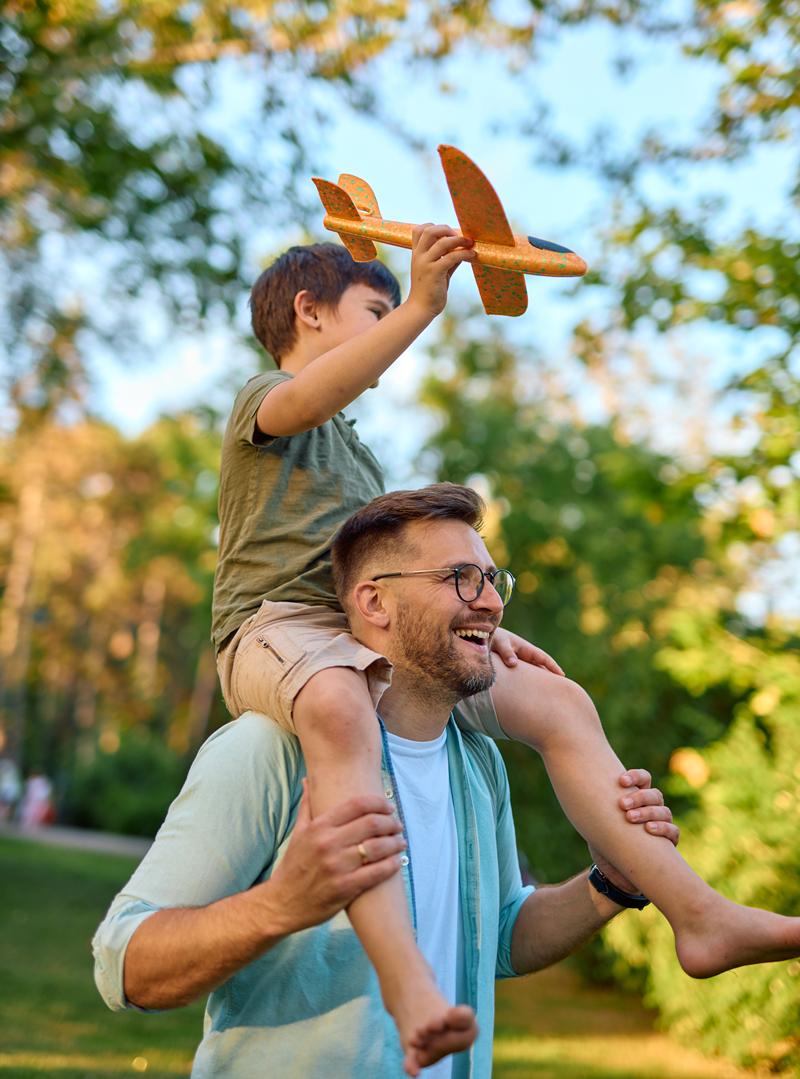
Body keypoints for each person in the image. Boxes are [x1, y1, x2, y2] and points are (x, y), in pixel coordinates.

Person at [211, 228, 800, 1068]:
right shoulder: (268, 398)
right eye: (372, 313)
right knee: (342, 705)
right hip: (275, 630)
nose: (389, 342)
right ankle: (411, 982)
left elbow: (393, 579)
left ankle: (696, 915)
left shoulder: (359, 453)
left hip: (365, 624)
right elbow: (302, 400)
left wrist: (479, 620)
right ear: (307, 311)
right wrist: (422, 303)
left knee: (557, 699)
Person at [93, 483, 682, 1078]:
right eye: (460, 577)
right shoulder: (266, 748)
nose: (491, 604)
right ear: (375, 603)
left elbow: (499, 939)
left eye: (491, 579)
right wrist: (280, 906)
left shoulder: (478, 763)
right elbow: (125, 963)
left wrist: (610, 885)